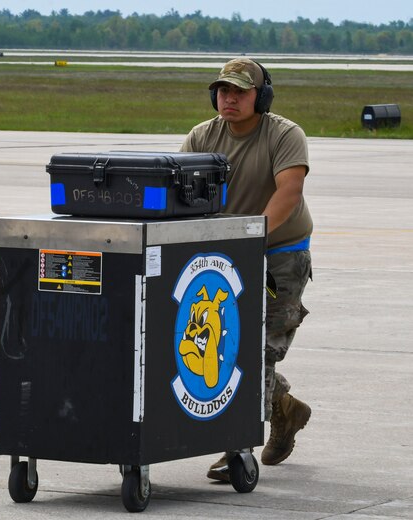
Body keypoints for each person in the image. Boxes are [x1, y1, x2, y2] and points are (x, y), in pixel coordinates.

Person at [180, 58, 313, 481]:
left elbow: (289, 192)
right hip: (223, 256)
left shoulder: (285, 134)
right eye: (223, 90)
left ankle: (237, 447)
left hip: (280, 254)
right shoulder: (203, 136)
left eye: (240, 91)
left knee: (262, 349)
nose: (230, 98)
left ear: (262, 96)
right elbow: (178, 193)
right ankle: (285, 408)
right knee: (227, 349)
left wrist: (252, 239)